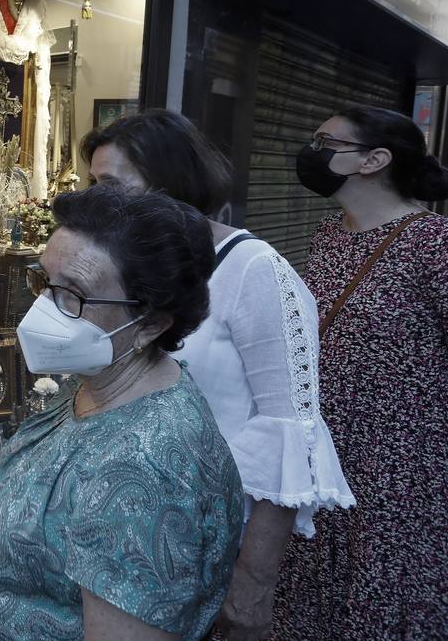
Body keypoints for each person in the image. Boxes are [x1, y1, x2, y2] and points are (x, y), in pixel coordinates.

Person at [82, 110, 353, 641]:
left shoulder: (255, 271)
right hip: (130, 533)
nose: (98, 203)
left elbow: (289, 430)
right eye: (93, 186)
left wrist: (252, 582)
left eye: (112, 186)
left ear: (171, 181)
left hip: (213, 540)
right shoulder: (135, 265)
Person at [0, 184, 244, 640]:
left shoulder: (139, 473)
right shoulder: (104, 380)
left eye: (73, 294)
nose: (42, 309)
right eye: (43, 281)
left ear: (150, 323)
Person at [271, 104, 448, 641]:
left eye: (326, 141)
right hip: (325, 458)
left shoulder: (442, 245)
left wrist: (414, 426)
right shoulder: (328, 237)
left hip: (401, 475)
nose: (312, 152)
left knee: (382, 605)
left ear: (375, 160)